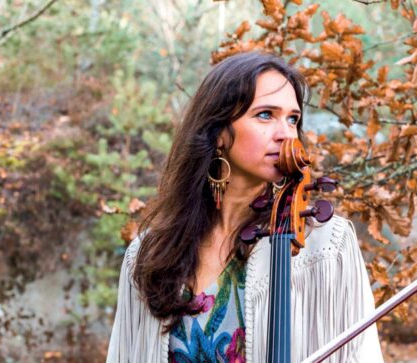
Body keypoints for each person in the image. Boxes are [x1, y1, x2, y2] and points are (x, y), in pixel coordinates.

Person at [106, 51, 384, 363]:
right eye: (266, 114)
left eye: (293, 119)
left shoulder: (326, 245)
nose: (286, 134)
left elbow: (359, 356)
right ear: (220, 133)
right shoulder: (149, 255)